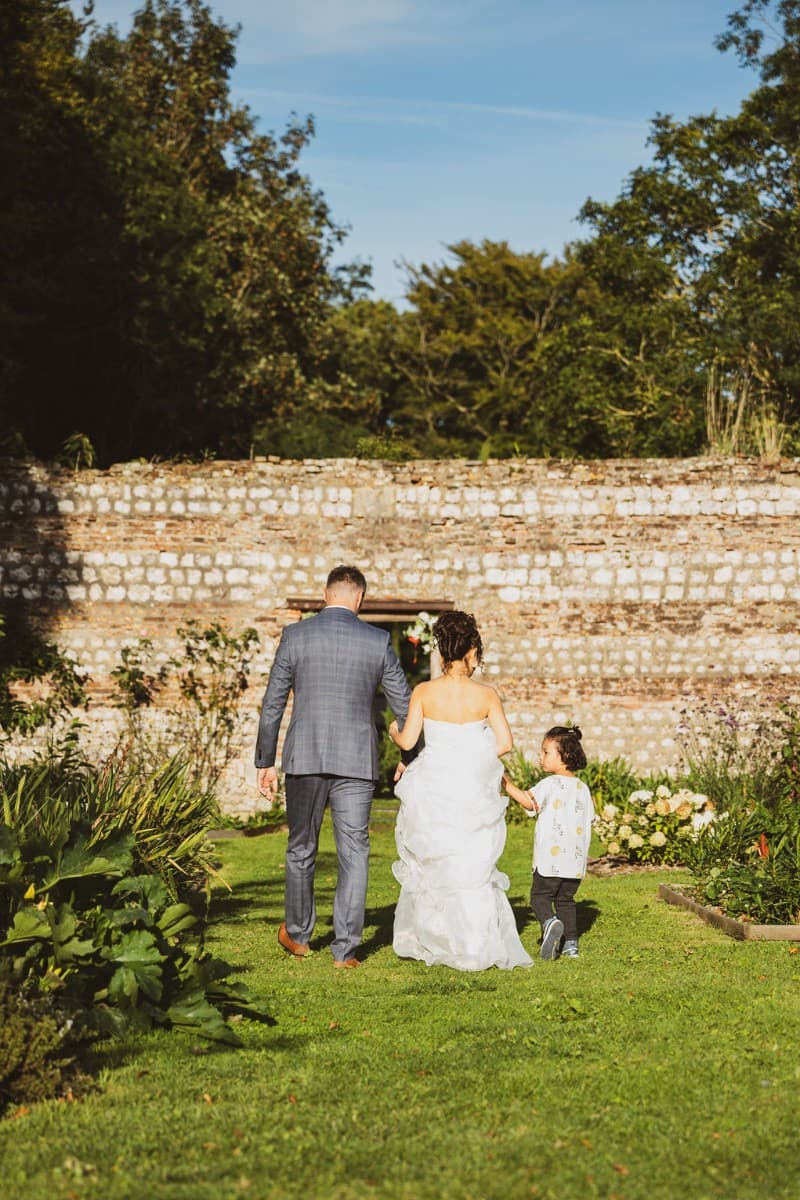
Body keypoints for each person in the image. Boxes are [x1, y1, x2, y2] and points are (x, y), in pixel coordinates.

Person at [255, 565, 412, 969]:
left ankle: (299, 935)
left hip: (304, 756)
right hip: (357, 761)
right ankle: (345, 950)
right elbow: (405, 705)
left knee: (301, 846)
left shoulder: (295, 635)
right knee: (354, 851)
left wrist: (265, 761)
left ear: (326, 595)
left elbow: (274, 701)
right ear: (359, 598)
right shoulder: (378, 641)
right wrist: (408, 755)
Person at [388, 611, 532, 971]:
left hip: (433, 782)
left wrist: (393, 731)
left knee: (436, 857)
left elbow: (408, 740)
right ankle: (474, 940)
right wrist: (472, 751)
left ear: (442, 652)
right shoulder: (485, 694)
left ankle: (434, 935)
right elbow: (504, 743)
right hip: (469, 784)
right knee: (470, 859)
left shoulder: (424, 691)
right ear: (471, 651)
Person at [503, 726, 594, 960]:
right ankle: (571, 945)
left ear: (564, 756)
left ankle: (550, 922)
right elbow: (589, 819)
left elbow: (528, 802)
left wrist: (506, 784)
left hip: (549, 859)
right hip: (574, 862)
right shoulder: (583, 789)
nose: (540, 757)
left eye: (545, 752)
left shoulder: (550, 784)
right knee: (566, 900)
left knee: (540, 897)